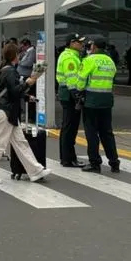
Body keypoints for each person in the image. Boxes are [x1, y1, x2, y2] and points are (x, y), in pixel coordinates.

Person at [0, 43, 51, 185]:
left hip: (7, 111)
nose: (20, 56)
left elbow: (9, 91)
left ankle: (35, 171)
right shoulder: (10, 71)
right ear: (15, 56)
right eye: (18, 54)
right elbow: (14, 91)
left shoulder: (3, 69)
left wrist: (26, 96)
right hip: (6, 112)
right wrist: (30, 81)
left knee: (20, 142)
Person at [74, 38, 121, 173]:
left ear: (94, 47)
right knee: (107, 132)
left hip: (91, 101)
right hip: (106, 100)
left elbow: (81, 80)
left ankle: (95, 163)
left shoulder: (89, 60)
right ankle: (114, 162)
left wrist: (79, 90)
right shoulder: (110, 61)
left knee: (92, 133)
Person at [55, 34, 86, 168]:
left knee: (68, 127)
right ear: (72, 43)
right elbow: (71, 78)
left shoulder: (70, 55)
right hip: (70, 95)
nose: (82, 44)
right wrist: (77, 95)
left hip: (66, 94)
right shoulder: (70, 57)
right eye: (79, 42)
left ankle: (67, 157)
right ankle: (68, 159)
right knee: (70, 127)